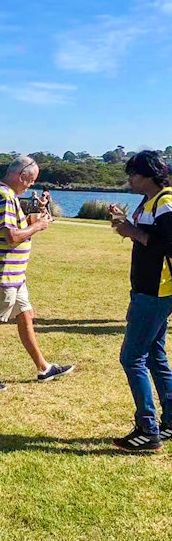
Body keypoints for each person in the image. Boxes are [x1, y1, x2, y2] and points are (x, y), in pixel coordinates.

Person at [0, 156, 74, 390]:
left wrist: (28, 220)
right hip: (4, 274)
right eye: (31, 180)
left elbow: (9, 227)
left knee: (25, 316)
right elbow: (11, 237)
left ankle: (43, 368)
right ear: (21, 175)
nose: (31, 186)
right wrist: (38, 226)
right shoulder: (5, 196)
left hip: (13, 274)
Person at [111, 150, 172, 451]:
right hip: (150, 289)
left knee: (131, 357)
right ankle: (170, 420)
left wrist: (131, 231)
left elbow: (168, 242)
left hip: (155, 291)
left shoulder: (165, 201)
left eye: (133, 174)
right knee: (154, 354)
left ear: (148, 174)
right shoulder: (150, 201)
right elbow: (151, 236)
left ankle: (148, 429)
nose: (130, 180)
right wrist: (127, 227)